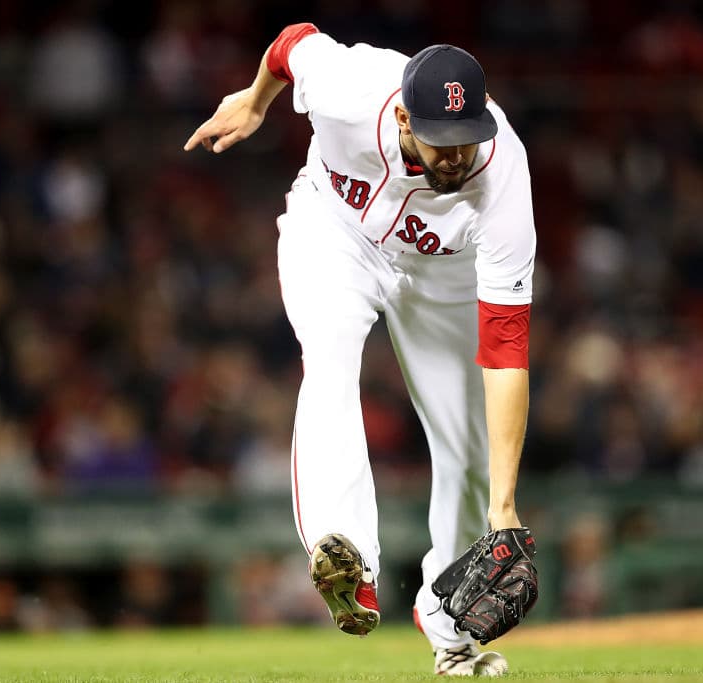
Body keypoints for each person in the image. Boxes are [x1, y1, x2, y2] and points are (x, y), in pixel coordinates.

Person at [184, 23, 536, 676]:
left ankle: (450, 628)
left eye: (468, 137)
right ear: (404, 115)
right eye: (443, 139)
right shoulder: (350, 88)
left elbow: (507, 348)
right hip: (335, 232)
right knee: (331, 355)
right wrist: (257, 101)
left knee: (470, 448)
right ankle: (341, 549)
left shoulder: (502, 170)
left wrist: (506, 507)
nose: (458, 156)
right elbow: (293, 42)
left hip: (441, 272)